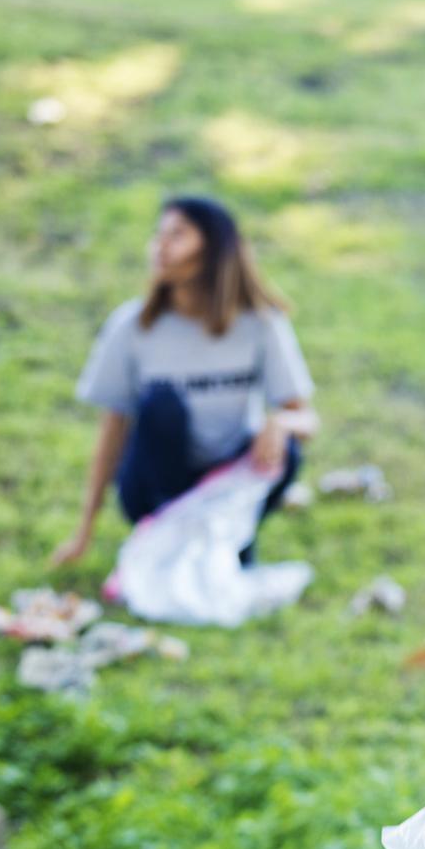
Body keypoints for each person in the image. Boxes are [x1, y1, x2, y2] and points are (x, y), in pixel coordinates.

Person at [51, 196, 316, 569]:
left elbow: (307, 420)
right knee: (161, 403)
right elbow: (112, 430)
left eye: (177, 235)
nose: (160, 246)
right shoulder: (133, 327)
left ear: (214, 248)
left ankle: (231, 540)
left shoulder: (261, 325)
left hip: (224, 479)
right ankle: (170, 539)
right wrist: (84, 532)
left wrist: (281, 423)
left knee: (286, 449)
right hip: (154, 485)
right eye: (158, 234)